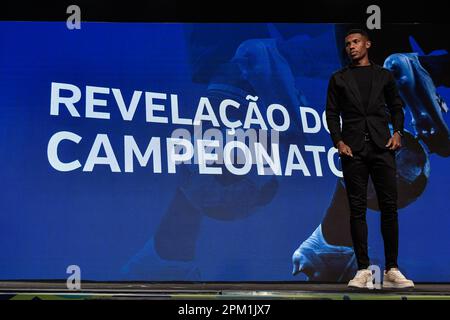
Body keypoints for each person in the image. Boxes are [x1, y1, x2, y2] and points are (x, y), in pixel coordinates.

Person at [325, 29, 414, 289]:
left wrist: (397, 132)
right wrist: (338, 141)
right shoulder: (338, 78)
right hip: (353, 150)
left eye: (355, 42)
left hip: (382, 147)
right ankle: (363, 269)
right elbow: (332, 113)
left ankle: (392, 269)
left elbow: (396, 106)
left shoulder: (384, 75)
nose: (350, 47)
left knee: (389, 207)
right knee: (357, 209)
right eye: (347, 44)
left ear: (367, 44)